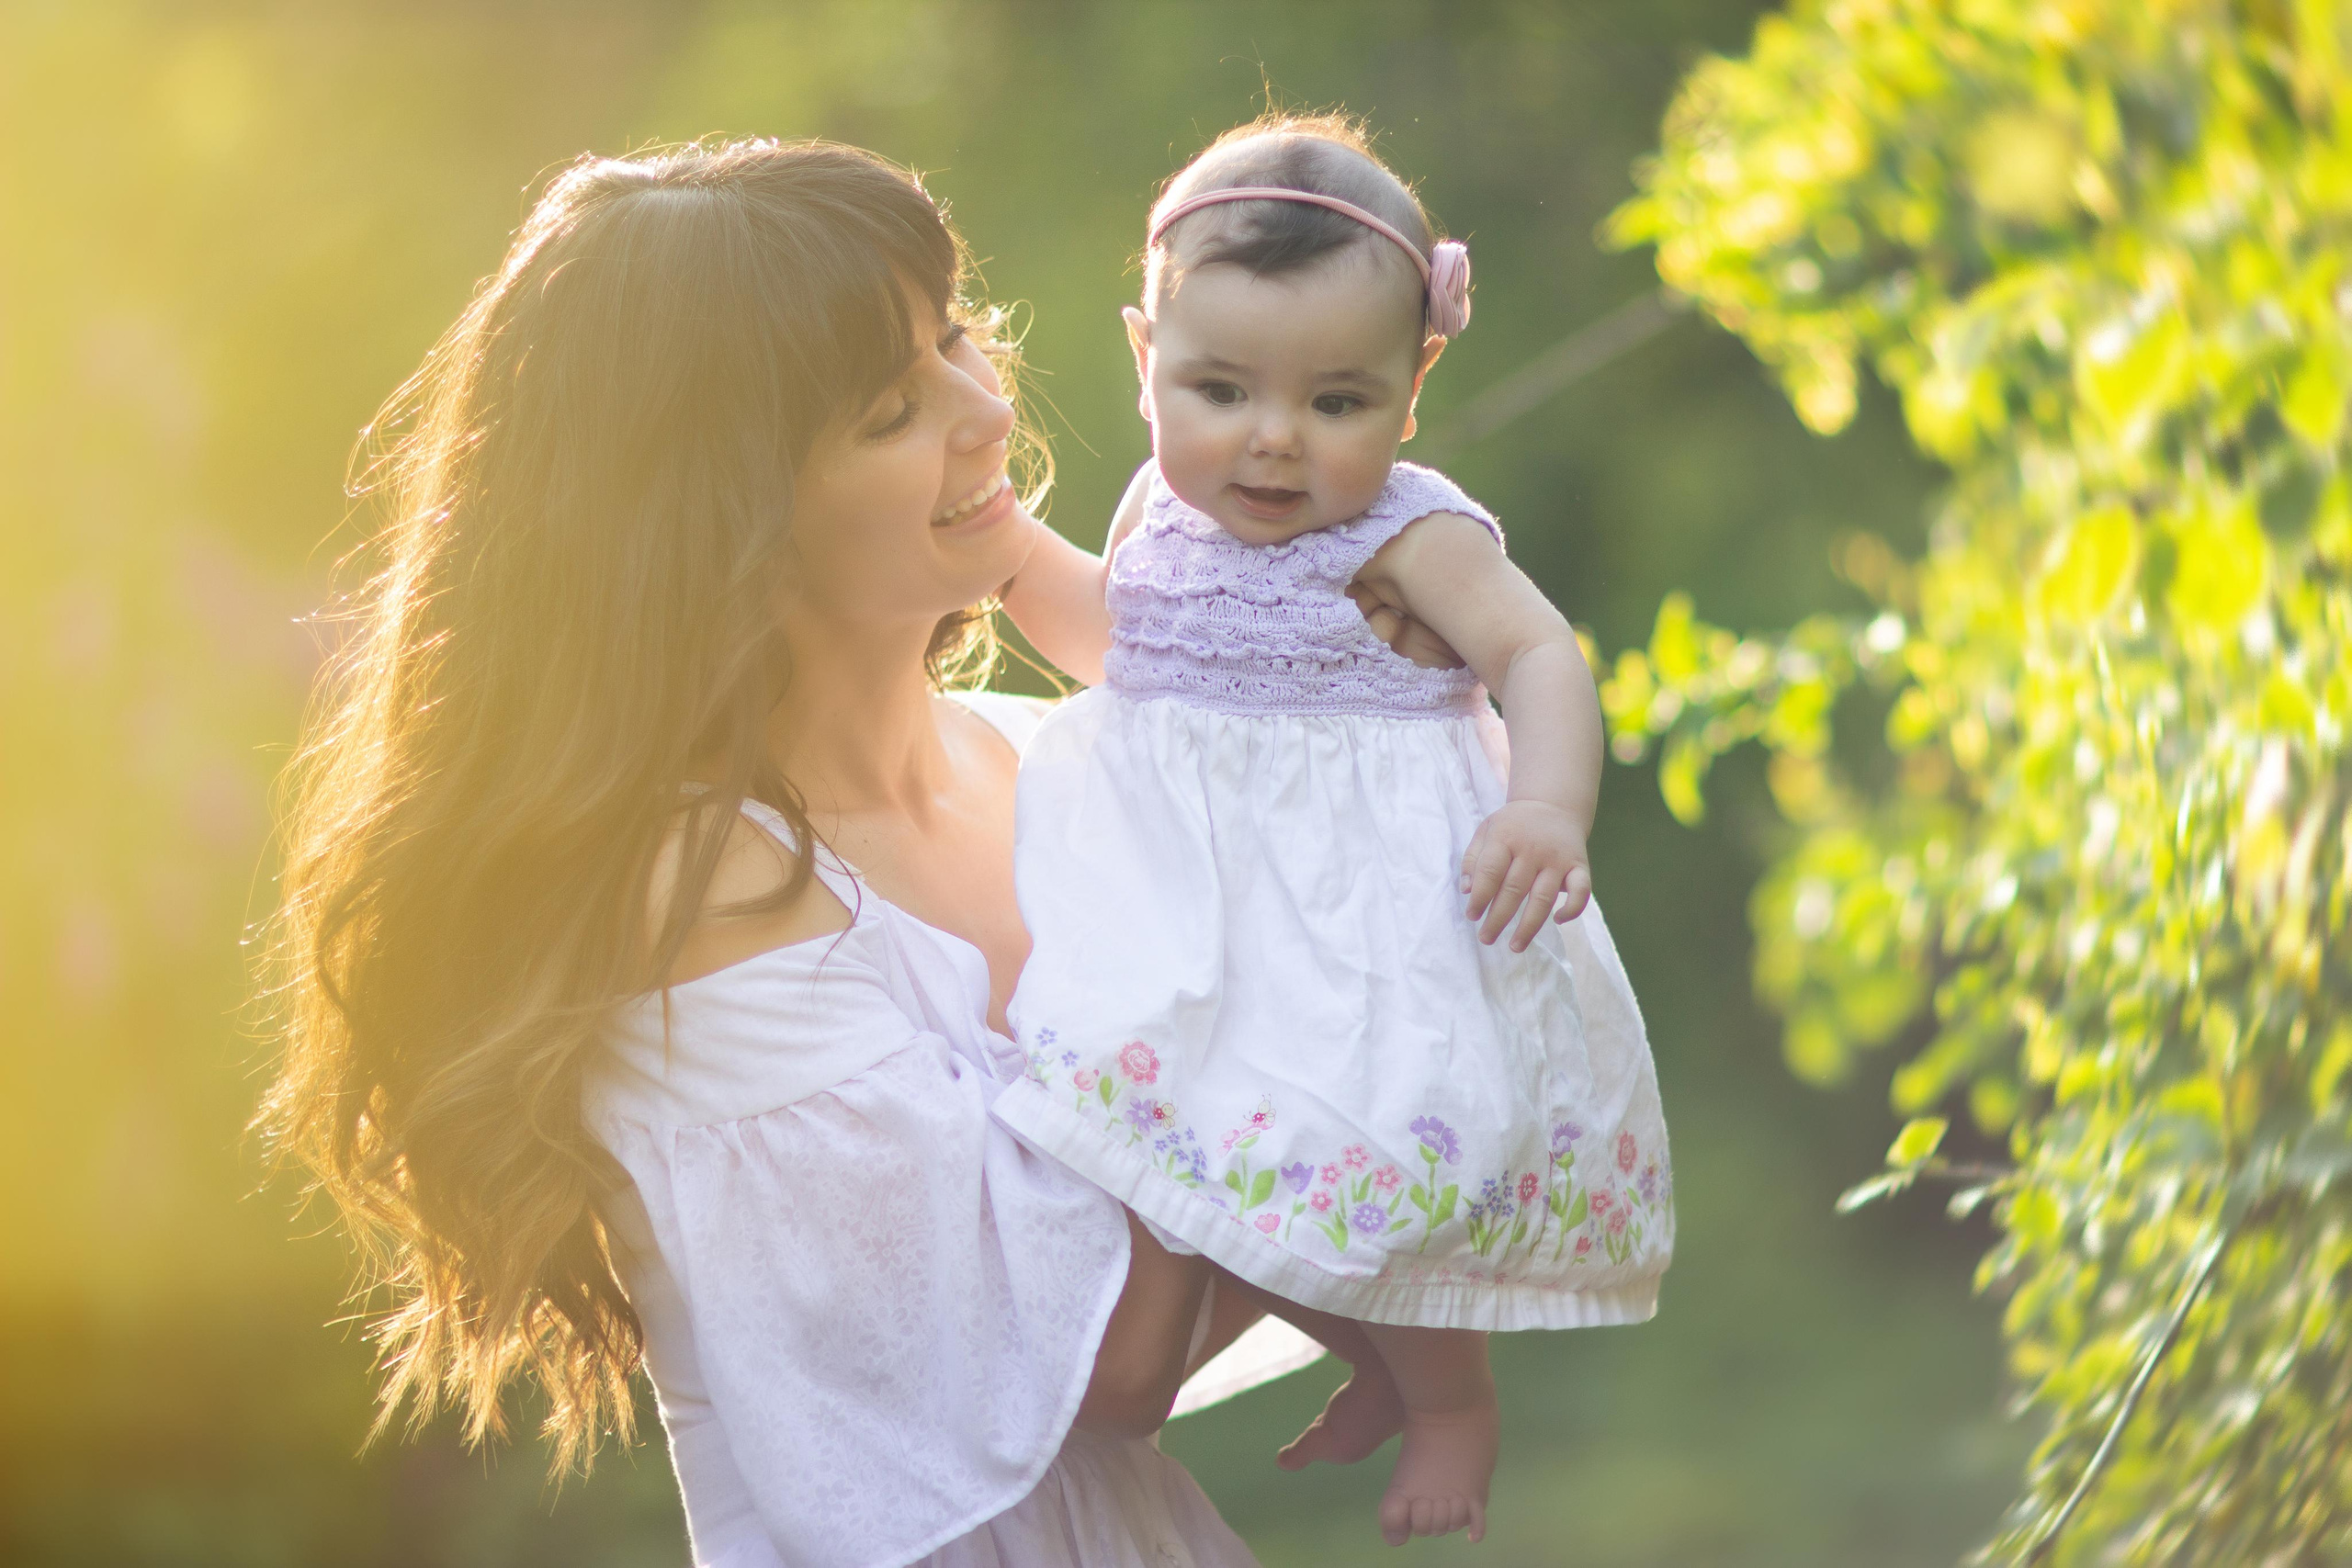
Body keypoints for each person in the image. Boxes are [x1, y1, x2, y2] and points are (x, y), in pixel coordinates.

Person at [257, 137, 1412, 1568]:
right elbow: (1112, 1356)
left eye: (956, 337)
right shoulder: (700, 892)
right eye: (889, 410)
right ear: (719, 514)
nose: (987, 411)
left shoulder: (1046, 761)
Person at [993, 114, 1677, 1547]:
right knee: (1215, 1160)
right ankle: (1365, 1353)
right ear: (1144, 358)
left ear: (1415, 387)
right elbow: (1119, 645)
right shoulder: (1157, 514)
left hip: (1358, 929)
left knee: (1360, 1148)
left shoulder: (1411, 538)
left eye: (1337, 401)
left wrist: (1546, 807)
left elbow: (1539, 653)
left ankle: (1450, 1399)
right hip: (1192, 920)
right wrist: (1001, 553)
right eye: (1220, 388)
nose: (1273, 438)